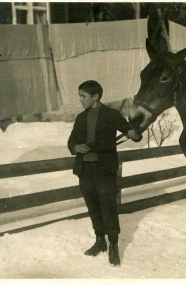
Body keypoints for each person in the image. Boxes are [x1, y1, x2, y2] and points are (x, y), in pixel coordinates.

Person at [67, 80, 139, 266]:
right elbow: (71, 142)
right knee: (93, 207)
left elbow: (129, 130)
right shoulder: (80, 118)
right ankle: (100, 242)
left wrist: (133, 132)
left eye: (83, 96)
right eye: (80, 96)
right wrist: (76, 147)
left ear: (96, 97)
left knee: (108, 207)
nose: (80, 100)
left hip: (104, 170)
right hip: (85, 170)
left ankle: (113, 245)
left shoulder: (111, 115)